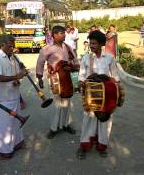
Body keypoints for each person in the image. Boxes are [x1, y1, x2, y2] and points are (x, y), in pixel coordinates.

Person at [76, 30, 120, 159]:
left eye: (94, 43)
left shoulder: (110, 58)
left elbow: (115, 77)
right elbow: (81, 75)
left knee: (105, 120)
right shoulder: (86, 57)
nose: (91, 45)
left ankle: (102, 145)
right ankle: (84, 145)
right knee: (88, 120)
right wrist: (80, 83)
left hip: (106, 96)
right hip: (91, 95)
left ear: (101, 44)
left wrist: (116, 91)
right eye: (90, 43)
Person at [36, 25, 79, 139]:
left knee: (67, 103)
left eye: (64, 33)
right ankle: (54, 128)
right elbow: (40, 62)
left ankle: (66, 125)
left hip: (67, 78)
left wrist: (75, 67)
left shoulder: (68, 47)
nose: (64, 34)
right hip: (55, 79)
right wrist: (39, 78)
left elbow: (75, 60)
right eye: (61, 33)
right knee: (57, 104)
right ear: (54, 35)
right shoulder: (47, 48)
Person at [0, 35, 28, 159]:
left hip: (15, 95)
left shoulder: (13, 57)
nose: (12, 48)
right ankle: (5, 151)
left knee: (15, 122)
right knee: (5, 125)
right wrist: (17, 76)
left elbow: (18, 72)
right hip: (4, 98)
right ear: (2, 45)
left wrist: (23, 70)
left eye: (13, 45)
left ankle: (17, 143)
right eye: (9, 46)